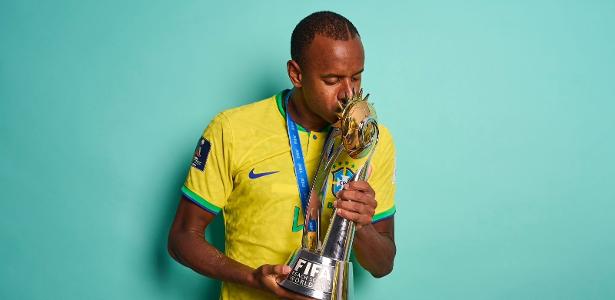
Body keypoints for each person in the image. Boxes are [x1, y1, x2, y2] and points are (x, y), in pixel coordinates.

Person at [168, 11, 397, 300]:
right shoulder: (231, 129)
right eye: (332, 80)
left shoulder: (376, 140)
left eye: (356, 77)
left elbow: (383, 265)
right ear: (296, 74)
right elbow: (181, 238)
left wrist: (362, 226)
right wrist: (252, 277)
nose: (348, 94)